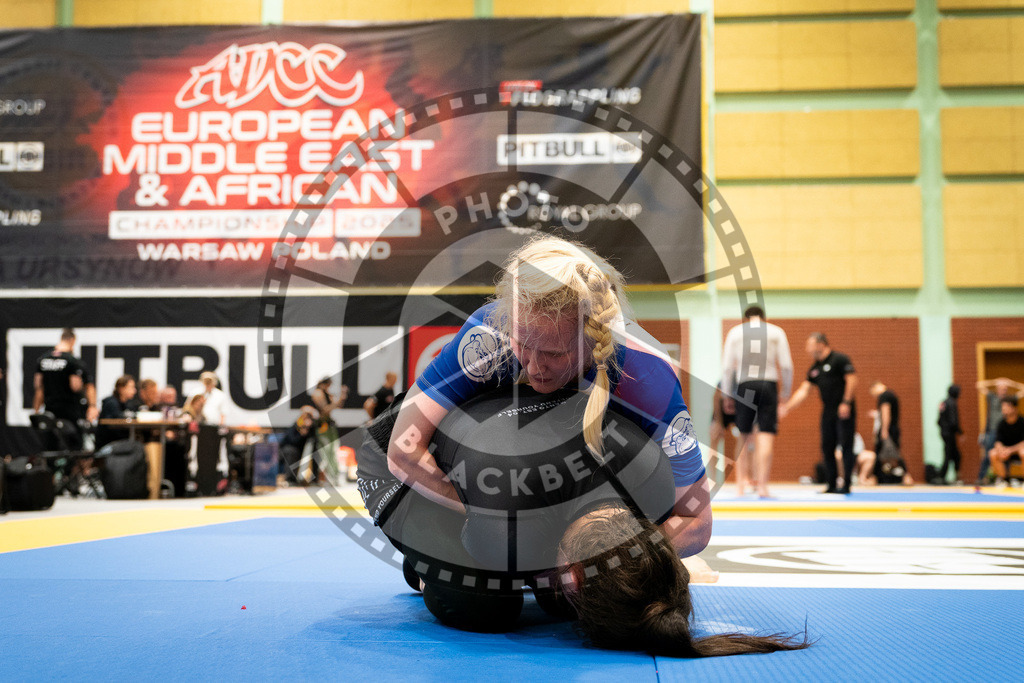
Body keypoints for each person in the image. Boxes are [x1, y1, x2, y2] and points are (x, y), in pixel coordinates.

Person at [359, 384, 802, 654]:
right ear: (568, 575)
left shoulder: (652, 476)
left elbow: (684, 536)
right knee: (487, 607)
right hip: (398, 451)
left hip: (498, 425)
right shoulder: (506, 533)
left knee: (561, 603)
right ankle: (421, 562)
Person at [383, 236, 710, 558]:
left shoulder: (644, 373)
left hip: (538, 485)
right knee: (468, 597)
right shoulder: (487, 337)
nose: (535, 366)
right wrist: (492, 519)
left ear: (591, 336)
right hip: (431, 472)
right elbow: (403, 451)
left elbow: (696, 523)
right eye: (522, 344)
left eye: (555, 353)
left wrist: (590, 562)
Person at [720, 306, 793, 498]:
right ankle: (762, 487)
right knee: (765, 435)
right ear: (764, 317)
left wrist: (727, 394)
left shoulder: (736, 332)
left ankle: (740, 487)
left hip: (746, 384)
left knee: (743, 435)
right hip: (769, 384)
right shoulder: (776, 332)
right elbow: (786, 366)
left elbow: (727, 367)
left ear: (745, 318)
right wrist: (785, 393)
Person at [780, 333, 857, 494]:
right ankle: (831, 483)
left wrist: (846, 402)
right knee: (827, 446)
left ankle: (847, 484)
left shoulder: (839, 359)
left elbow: (852, 379)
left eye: (810, 345)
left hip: (843, 409)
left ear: (821, 344)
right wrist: (787, 407)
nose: (807, 349)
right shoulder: (815, 368)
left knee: (846, 446)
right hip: (828, 410)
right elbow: (804, 390)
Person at [33, 327, 98, 450]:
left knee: (51, 446)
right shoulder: (72, 361)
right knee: (74, 445)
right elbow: (75, 386)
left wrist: (36, 411)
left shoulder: (43, 360)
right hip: (70, 411)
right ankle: (72, 467)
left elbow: (38, 387)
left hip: (50, 410)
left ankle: (51, 468)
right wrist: (92, 405)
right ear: (72, 341)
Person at [975, 378, 1024, 484]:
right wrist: (996, 381)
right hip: (993, 431)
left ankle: (1010, 478)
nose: (1003, 390)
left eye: (1005, 389)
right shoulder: (992, 397)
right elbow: (979, 385)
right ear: (997, 389)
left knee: (1019, 453)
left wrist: (1011, 383)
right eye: (1001, 388)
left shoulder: (1011, 400)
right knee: (990, 454)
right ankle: (991, 478)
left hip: (1014, 443)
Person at [310, 376, 348, 484]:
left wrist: (342, 396)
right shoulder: (318, 393)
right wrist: (335, 403)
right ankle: (329, 476)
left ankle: (335, 475)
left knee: (333, 450)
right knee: (325, 451)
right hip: (322, 426)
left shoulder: (327, 393)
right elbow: (325, 410)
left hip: (329, 425)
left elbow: (337, 405)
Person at [95, 375, 139, 449]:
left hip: (119, 441)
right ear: (121, 388)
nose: (134, 391)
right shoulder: (111, 403)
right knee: (137, 447)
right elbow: (112, 428)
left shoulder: (127, 405)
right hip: (109, 444)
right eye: (131, 387)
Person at [988, 397, 1024, 485]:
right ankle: (1004, 479)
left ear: (1014, 408)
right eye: (1002, 407)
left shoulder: (1022, 422)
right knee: (992, 453)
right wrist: (1002, 450)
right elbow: (998, 442)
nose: (1003, 409)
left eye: (1006, 406)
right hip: (1006, 452)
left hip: (1017, 451)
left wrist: (1010, 450)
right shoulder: (1001, 424)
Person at [937, 384, 963, 484]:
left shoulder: (943, 403)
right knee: (950, 454)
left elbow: (938, 421)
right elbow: (953, 421)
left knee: (953, 454)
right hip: (949, 433)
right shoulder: (952, 403)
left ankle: (944, 475)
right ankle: (942, 476)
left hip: (944, 432)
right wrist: (959, 432)